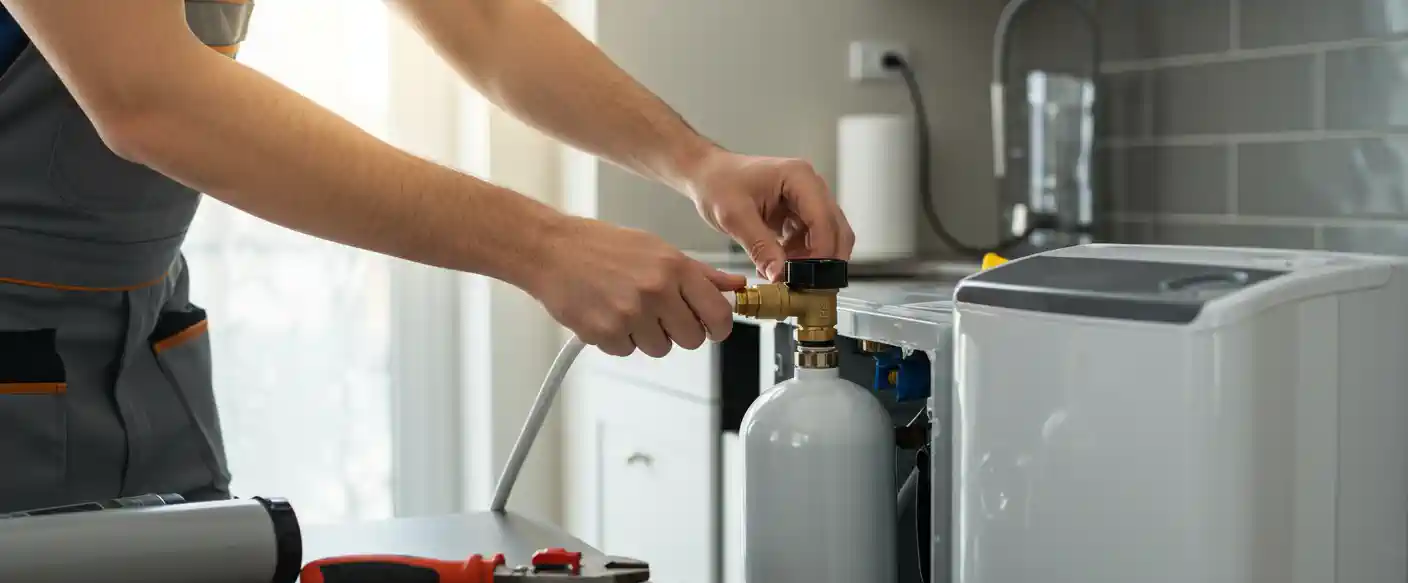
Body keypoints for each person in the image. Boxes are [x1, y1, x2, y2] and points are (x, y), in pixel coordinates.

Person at [0, 0, 855, 513]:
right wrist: (546, 247)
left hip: (147, 347)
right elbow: (148, 96)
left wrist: (697, 163)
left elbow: (483, 18)